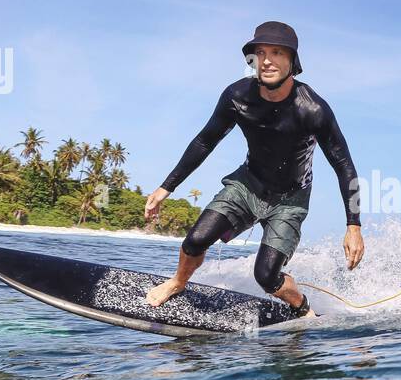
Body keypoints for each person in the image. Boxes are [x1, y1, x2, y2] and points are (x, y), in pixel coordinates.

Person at [143, 21, 364, 316]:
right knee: (195, 241)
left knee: (267, 276)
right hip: (247, 184)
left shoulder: (313, 109)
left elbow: (343, 164)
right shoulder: (237, 96)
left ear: (293, 62)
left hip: (290, 199)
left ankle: (302, 307)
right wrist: (166, 186)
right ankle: (178, 282)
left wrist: (353, 224)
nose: (268, 60)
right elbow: (205, 141)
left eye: (277, 53)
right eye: (261, 53)